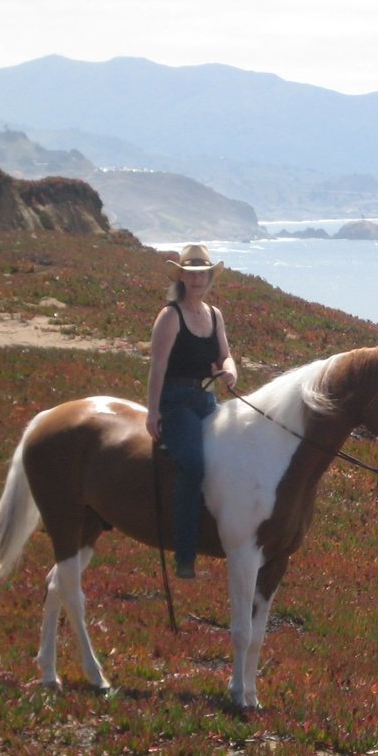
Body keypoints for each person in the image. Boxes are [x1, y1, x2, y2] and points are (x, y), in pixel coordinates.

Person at [146, 244, 239, 579]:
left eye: (203, 274)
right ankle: (185, 555)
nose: (198, 279)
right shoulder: (170, 316)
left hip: (206, 400)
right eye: (192, 273)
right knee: (194, 465)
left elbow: (225, 355)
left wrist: (230, 371)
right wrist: (153, 412)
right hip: (175, 401)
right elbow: (157, 368)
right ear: (182, 277)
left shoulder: (214, 315)